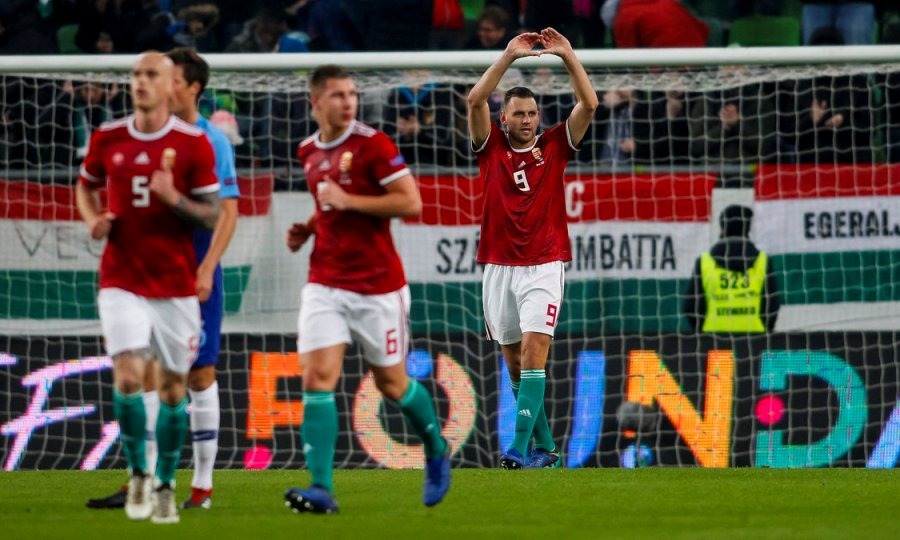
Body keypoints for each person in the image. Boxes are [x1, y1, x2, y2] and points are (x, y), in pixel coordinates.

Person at [282, 64, 451, 514]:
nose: (348, 102)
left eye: (352, 94)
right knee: (316, 378)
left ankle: (436, 448)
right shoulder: (307, 150)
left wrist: (348, 201)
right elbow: (327, 203)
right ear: (316, 102)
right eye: (338, 95)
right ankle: (321, 488)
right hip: (325, 282)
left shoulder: (373, 145)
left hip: (378, 288)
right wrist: (309, 227)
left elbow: (410, 202)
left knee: (393, 386)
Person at [76, 51, 221, 524]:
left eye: (151, 75)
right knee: (128, 377)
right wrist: (93, 218)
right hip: (122, 278)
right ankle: (139, 473)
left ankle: (165, 481)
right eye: (136, 74)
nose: (141, 81)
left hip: (175, 284)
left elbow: (213, 214)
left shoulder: (195, 143)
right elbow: (85, 185)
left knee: (175, 391)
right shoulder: (108, 137)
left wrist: (173, 197)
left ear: (170, 83)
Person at [466, 28, 598, 469]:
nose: (527, 120)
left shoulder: (554, 146)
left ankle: (518, 449)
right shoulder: (491, 147)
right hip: (498, 267)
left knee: (533, 353)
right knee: (515, 366)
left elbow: (589, 104)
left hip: (544, 264)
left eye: (532, 113)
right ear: (504, 119)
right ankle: (547, 449)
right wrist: (508, 55)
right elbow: (475, 100)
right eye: (519, 114)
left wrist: (567, 54)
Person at [683, 205, 780, 333]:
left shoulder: (704, 262)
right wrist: (765, 329)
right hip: (754, 337)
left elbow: (690, 307)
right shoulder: (763, 261)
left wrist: (702, 332)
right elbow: (772, 305)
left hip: (713, 338)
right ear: (747, 228)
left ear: (722, 228)